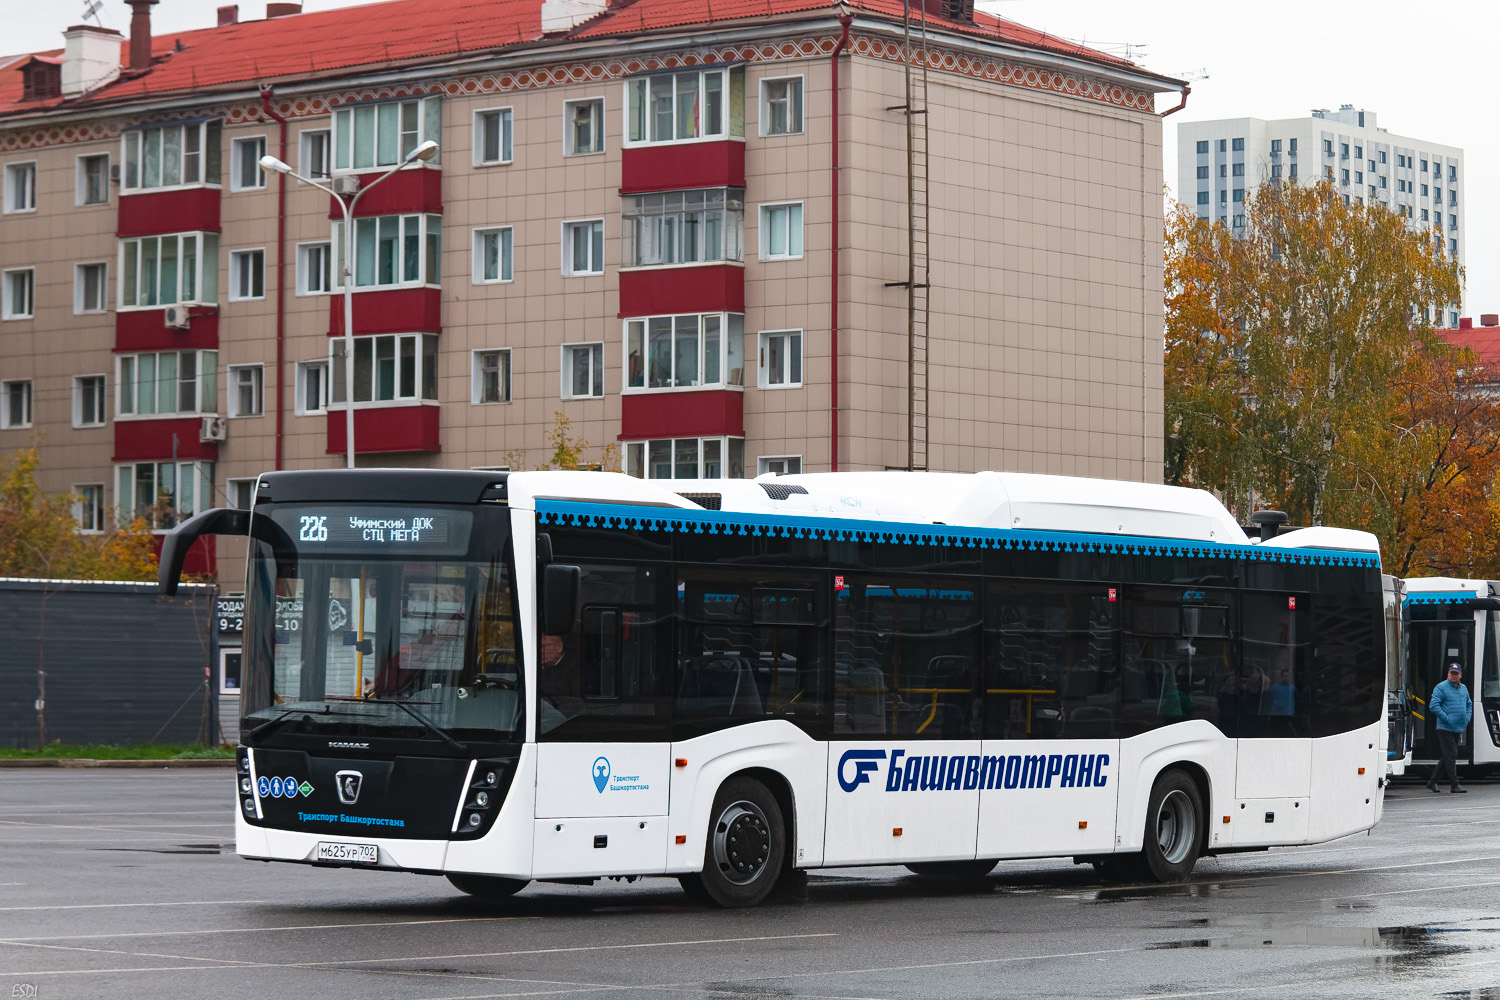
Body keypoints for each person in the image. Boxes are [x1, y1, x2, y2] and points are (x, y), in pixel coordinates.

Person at [1428, 662, 1472, 793]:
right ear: (1448, 674)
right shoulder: (1441, 687)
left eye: (1456, 673)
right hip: (1445, 728)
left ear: (1460, 675)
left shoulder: (1463, 688)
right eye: (1451, 673)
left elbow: (1469, 704)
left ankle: (1432, 782)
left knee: (1447, 756)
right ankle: (1454, 784)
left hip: (1458, 727)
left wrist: (1467, 717)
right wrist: (1447, 719)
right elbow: (1433, 705)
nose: (1453, 676)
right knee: (1451, 754)